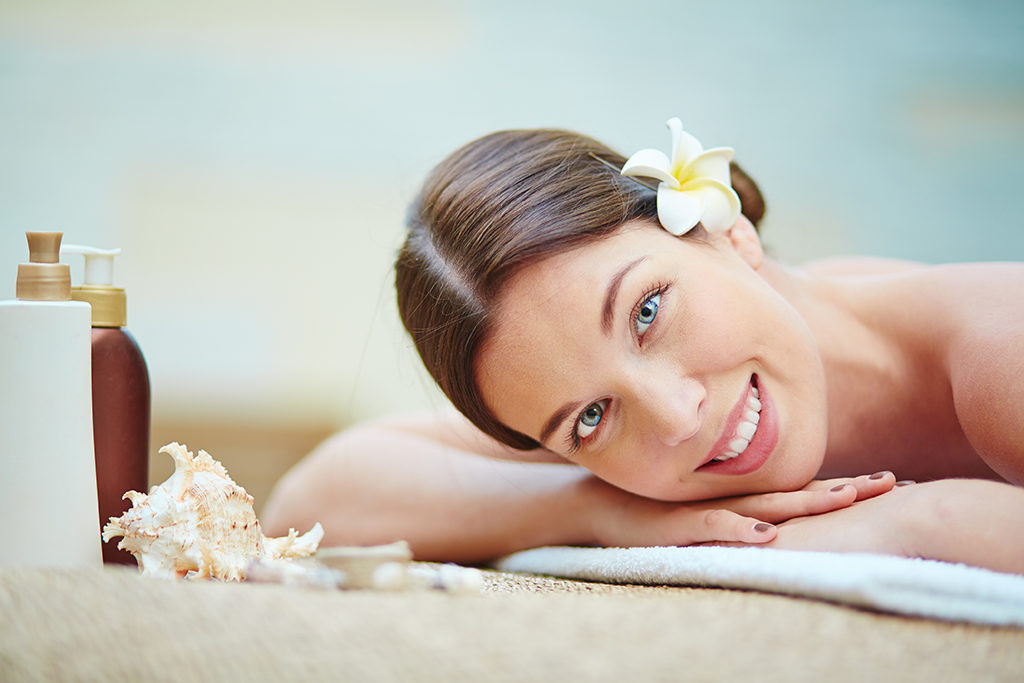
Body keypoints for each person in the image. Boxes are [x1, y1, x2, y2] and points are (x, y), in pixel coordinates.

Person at [262, 118, 1024, 573]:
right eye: (589, 418)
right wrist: (589, 507)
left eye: (648, 311)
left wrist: (924, 523)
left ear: (726, 229)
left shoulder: (996, 349)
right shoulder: (588, 422)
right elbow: (309, 503)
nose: (675, 415)